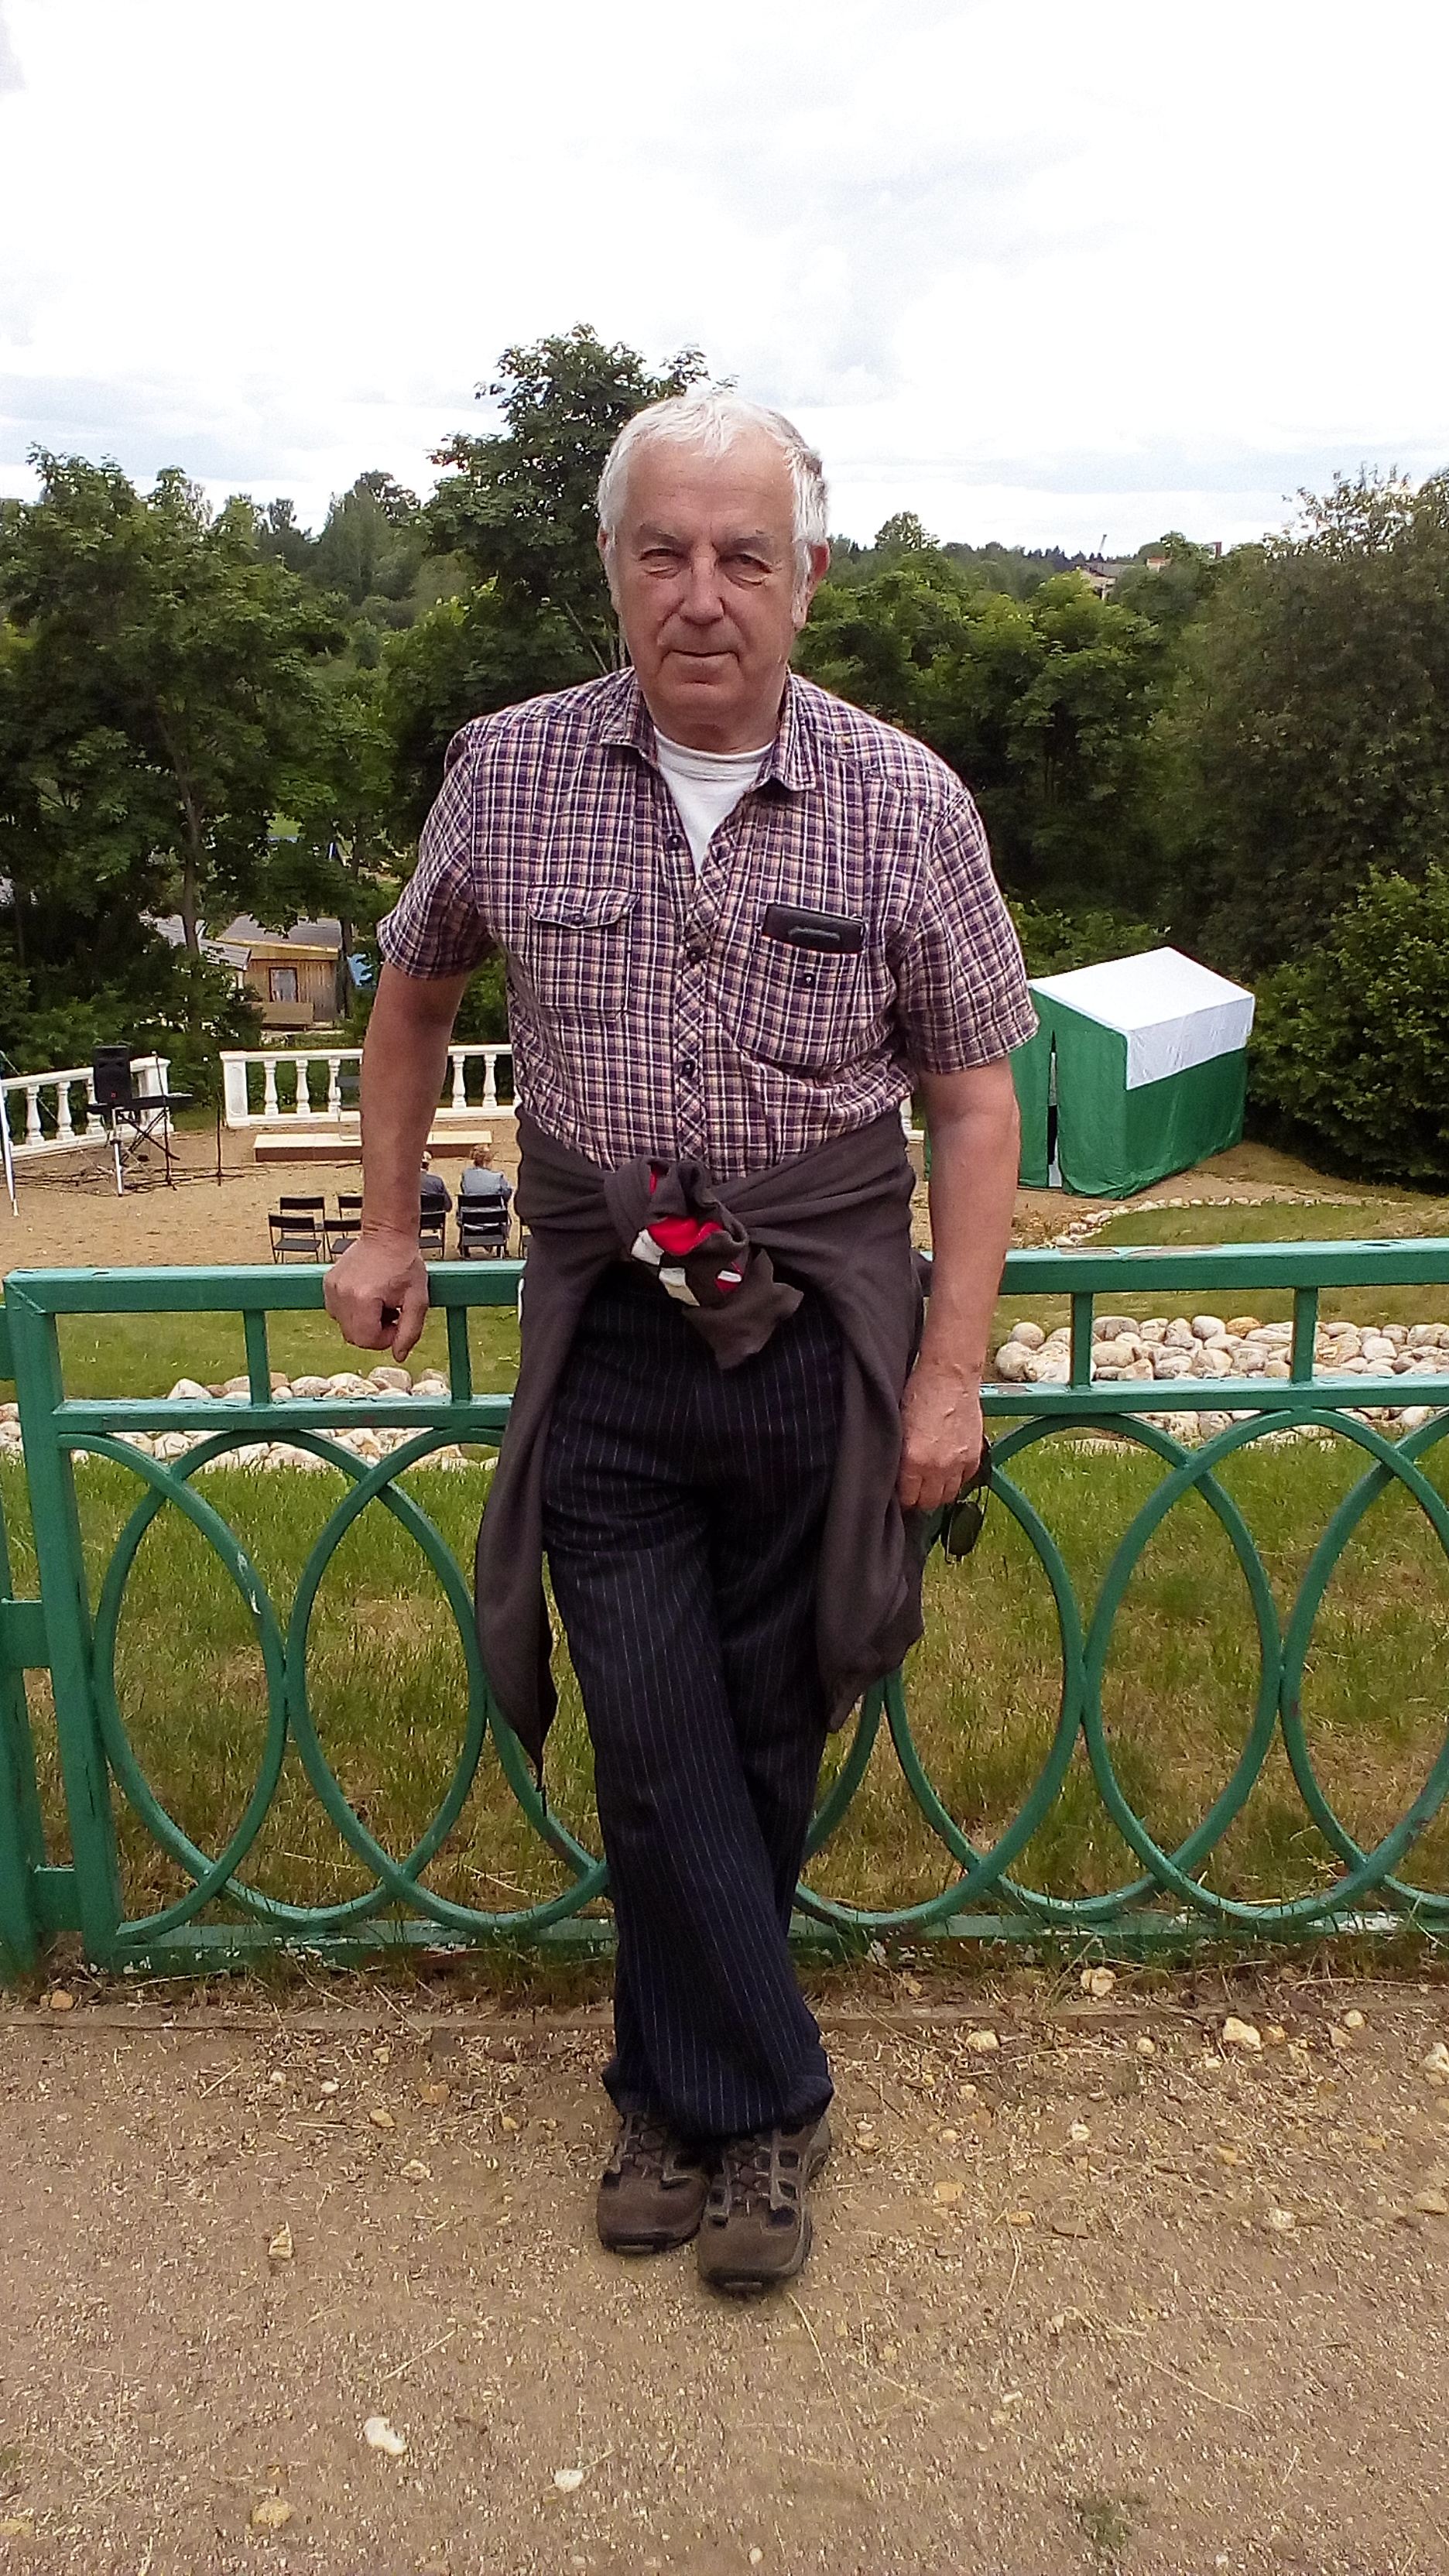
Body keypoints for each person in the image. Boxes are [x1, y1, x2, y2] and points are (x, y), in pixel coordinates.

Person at [324, 389, 1033, 2297]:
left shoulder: (906, 796)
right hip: (606, 1325)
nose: (702, 592)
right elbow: (411, 998)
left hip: (820, 1325)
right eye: (665, 550)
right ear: (614, 567)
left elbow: (976, 1099)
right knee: (646, 1726)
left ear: (809, 575)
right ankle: (769, 2097)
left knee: (769, 1726)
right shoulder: (507, 768)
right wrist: (389, 1223)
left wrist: (952, 1370)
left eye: (743, 554)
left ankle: (667, 2093)